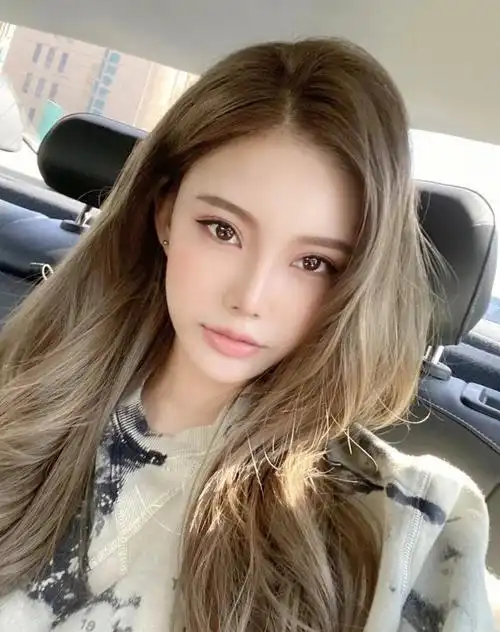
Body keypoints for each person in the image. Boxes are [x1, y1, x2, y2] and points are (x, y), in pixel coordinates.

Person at [0, 37, 497, 632]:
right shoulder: (21, 392)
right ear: (165, 214)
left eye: (314, 262)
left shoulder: (410, 530)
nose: (250, 299)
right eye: (222, 230)